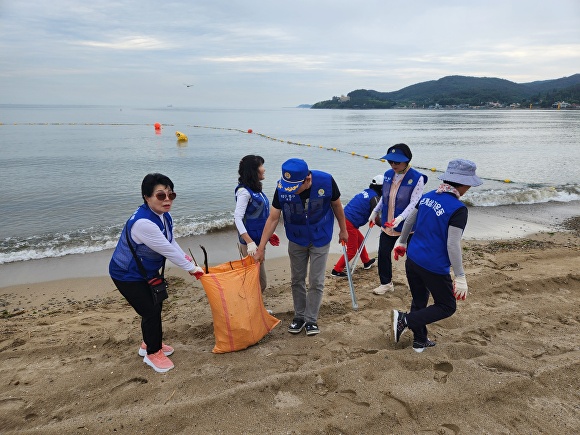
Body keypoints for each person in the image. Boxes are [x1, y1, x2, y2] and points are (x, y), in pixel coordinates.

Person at [109, 173, 204, 373]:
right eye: (161, 196)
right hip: (126, 274)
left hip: (147, 271)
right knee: (150, 311)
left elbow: (170, 241)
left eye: (171, 195)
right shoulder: (144, 223)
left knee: (154, 306)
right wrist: (192, 268)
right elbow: (166, 250)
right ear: (146, 197)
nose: (167, 200)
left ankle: (148, 344)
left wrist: (188, 261)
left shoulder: (164, 216)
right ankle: (153, 354)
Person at [391, 159, 483, 352]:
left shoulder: (428, 196)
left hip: (414, 258)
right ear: (464, 184)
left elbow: (408, 222)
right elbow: (452, 243)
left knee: (419, 300)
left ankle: (420, 340)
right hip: (433, 266)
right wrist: (460, 276)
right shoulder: (458, 209)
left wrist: (401, 242)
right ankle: (404, 320)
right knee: (447, 306)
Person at [254, 158, 348, 336]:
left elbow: (336, 205)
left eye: (295, 186)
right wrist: (261, 247)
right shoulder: (282, 188)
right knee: (297, 279)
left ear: (307, 180)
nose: (291, 190)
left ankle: (311, 319)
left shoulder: (326, 181)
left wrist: (343, 230)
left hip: (320, 236)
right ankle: (299, 316)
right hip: (296, 238)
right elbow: (273, 218)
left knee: (316, 281)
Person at [369, 143, 427, 295]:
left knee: (413, 257)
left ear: (406, 161)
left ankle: (418, 284)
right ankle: (386, 283)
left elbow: (415, 202)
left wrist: (401, 218)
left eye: (397, 162)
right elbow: (385, 196)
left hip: (409, 226)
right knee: (383, 253)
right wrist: (375, 212)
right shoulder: (388, 174)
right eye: (390, 161)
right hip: (388, 223)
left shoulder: (417, 178)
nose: (393, 165)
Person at [234, 155, 279, 293]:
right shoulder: (244, 192)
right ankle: (253, 312)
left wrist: (269, 232)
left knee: (259, 282)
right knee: (258, 283)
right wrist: (249, 243)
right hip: (251, 246)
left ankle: (257, 311)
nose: (264, 169)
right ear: (253, 170)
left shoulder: (255, 189)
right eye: (261, 166)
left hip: (260, 242)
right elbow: (237, 218)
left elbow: (261, 215)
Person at [330, 174, 383, 277]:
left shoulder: (367, 192)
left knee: (360, 240)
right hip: (350, 222)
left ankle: (366, 262)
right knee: (351, 250)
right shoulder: (375, 197)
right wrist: (385, 227)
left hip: (346, 218)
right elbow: (375, 217)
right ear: (381, 188)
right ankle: (336, 270)